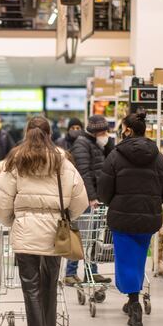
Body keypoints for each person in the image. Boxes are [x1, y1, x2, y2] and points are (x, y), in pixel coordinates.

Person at [0, 116, 88, 326]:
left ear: (27, 132)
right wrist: (64, 217)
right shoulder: (62, 160)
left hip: (25, 232)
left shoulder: (15, 159)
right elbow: (80, 199)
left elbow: (0, 201)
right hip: (55, 233)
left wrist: (14, 221)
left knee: (31, 289)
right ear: (49, 132)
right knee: (49, 285)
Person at [97, 112, 163, 326]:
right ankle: (132, 299)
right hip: (148, 218)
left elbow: (103, 191)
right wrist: (152, 203)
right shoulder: (158, 157)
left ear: (127, 130)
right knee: (138, 260)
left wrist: (116, 203)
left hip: (122, 218)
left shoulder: (115, 156)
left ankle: (134, 304)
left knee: (125, 260)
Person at [65, 114, 112, 286]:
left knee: (91, 237)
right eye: (103, 132)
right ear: (96, 132)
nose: (106, 134)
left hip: (96, 197)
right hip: (85, 198)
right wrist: (91, 197)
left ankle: (91, 271)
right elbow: (84, 173)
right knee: (81, 236)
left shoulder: (96, 144)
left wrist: (108, 144)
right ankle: (70, 273)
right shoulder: (82, 144)